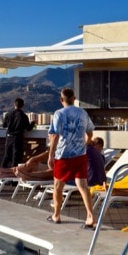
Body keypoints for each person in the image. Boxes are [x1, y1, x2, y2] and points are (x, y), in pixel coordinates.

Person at [47, 88, 96, 227]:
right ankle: (90, 217)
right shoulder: (83, 113)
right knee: (83, 186)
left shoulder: (59, 114)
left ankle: (56, 215)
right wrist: (84, 144)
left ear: (61, 100)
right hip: (80, 155)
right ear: (74, 98)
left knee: (58, 186)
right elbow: (90, 133)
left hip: (63, 155)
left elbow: (55, 135)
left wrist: (51, 154)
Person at [1, 97, 35, 168]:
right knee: (16, 157)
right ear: (22, 106)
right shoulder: (23, 116)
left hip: (9, 137)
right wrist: (33, 122)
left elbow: (4, 125)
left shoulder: (8, 114)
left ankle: (1, 171)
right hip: (17, 138)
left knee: (6, 155)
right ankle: (14, 175)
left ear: (14, 105)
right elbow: (28, 128)